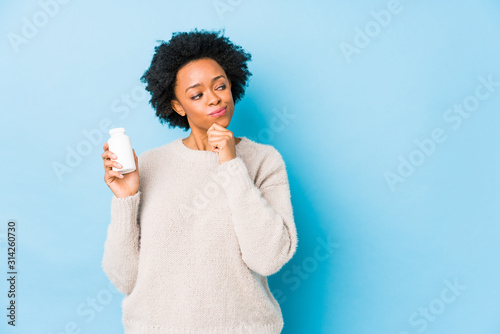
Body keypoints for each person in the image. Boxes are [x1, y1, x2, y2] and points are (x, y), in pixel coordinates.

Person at [101, 29, 298, 333]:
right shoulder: (151, 165)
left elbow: (268, 257)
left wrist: (231, 164)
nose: (214, 98)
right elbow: (124, 278)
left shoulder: (263, 161)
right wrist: (126, 199)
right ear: (178, 106)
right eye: (197, 94)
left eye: (220, 86)